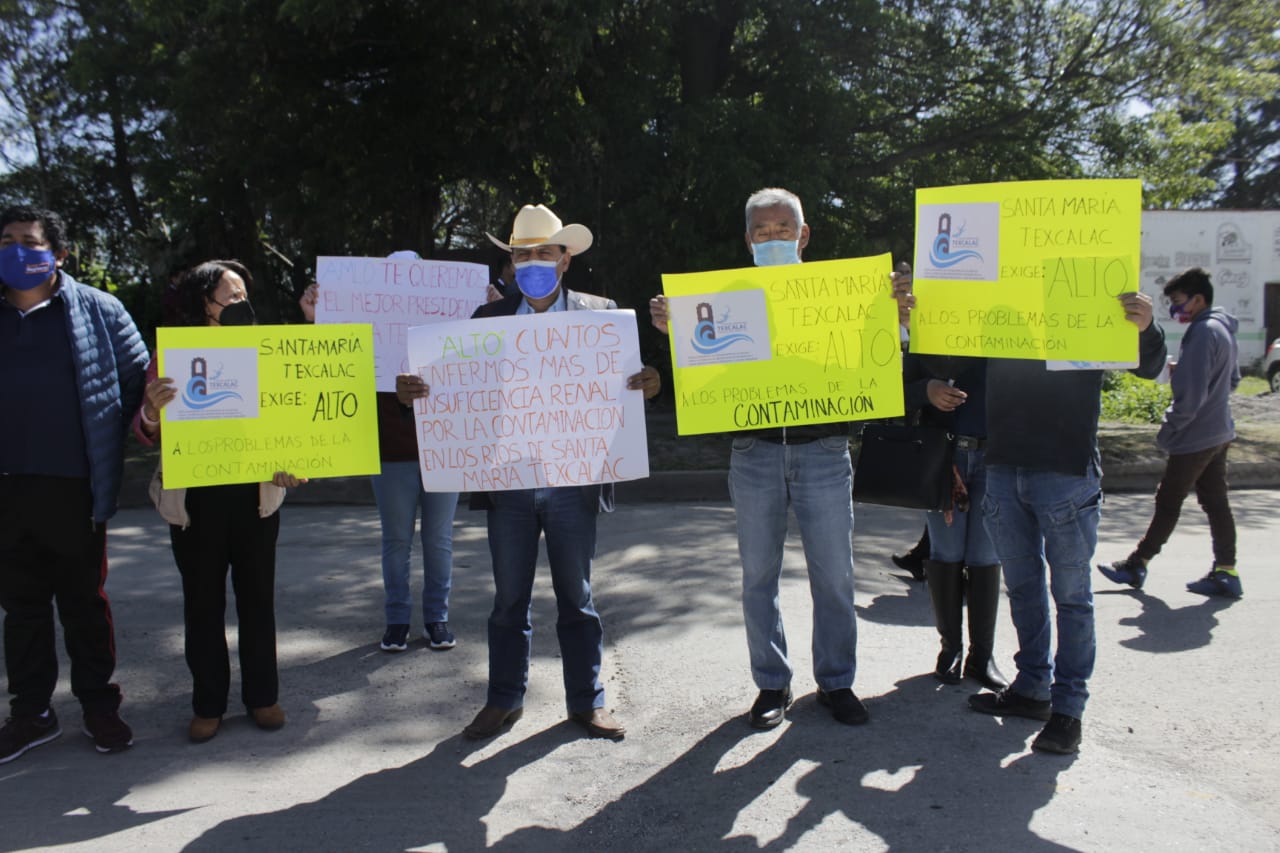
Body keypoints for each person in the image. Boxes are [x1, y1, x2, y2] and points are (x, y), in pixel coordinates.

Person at [650, 188, 911, 729]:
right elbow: (709, 377)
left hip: (824, 451)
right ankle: (772, 684)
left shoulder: (843, 295)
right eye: (763, 232)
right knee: (758, 576)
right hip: (754, 453)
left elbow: (878, 355)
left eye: (783, 229)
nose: (773, 238)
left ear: (803, 235)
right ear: (748, 240)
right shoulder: (722, 300)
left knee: (835, 575)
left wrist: (894, 315)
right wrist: (677, 333)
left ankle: (836, 681)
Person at [399, 203, 660, 741]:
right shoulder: (485, 320)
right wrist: (417, 393)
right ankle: (503, 699)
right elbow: (453, 391)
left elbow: (630, 385)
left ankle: (587, 701)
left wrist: (649, 384)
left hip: (573, 483)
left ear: (565, 259)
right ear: (511, 264)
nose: (533, 263)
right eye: (522, 255)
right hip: (508, 485)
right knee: (508, 600)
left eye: (544, 253)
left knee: (577, 597)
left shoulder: (602, 315)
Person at [968, 290, 1167, 754]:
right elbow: (950, 350)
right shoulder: (994, 289)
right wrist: (918, 313)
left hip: (1066, 471)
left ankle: (1068, 710)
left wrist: (1147, 328)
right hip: (1004, 465)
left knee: (1072, 598)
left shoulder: (1088, 291)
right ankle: (1032, 687)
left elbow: (1150, 367)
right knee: (1023, 588)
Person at [0, 205, 149, 763]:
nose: (17, 251)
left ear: (59, 254)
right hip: (6, 490)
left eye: (30, 241)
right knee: (22, 608)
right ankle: (31, 713)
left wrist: (152, 425)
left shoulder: (101, 310)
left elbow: (142, 387)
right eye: (7, 241)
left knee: (84, 603)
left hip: (75, 488)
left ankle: (99, 705)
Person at [136, 260, 303, 743]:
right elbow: (146, 431)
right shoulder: (169, 356)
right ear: (203, 303)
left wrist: (293, 461)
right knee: (202, 605)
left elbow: (291, 420)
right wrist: (151, 412)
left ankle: (262, 697)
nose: (240, 303)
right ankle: (208, 703)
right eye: (230, 296)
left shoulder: (267, 352)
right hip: (195, 503)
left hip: (256, 498)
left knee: (258, 601)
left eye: (244, 295)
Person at [299, 255, 460, 654]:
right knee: (396, 540)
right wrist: (316, 320)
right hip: (389, 454)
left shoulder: (447, 328)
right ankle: (397, 620)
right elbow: (329, 363)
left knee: (439, 540)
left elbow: (483, 357)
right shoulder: (369, 339)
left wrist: (488, 306)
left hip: (444, 449)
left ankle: (437, 618)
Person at [1097, 268, 1241, 598]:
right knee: (1216, 502)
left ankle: (1137, 564)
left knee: (1168, 501)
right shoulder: (1223, 329)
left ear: (1198, 299)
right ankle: (1226, 571)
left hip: (1196, 436)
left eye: (1178, 302)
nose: (1175, 310)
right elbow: (1231, 381)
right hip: (1219, 431)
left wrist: (1170, 429)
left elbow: (1191, 396)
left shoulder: (1202, 332)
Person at [903, 355, 1006, 690]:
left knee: (985, 555)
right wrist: (926, 390)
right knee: (945, 552)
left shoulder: (1013, 328)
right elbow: (896, 390)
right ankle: (950, 650)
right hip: (943, 456)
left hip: (998, 456)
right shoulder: (929, 332)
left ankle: (982, 656)